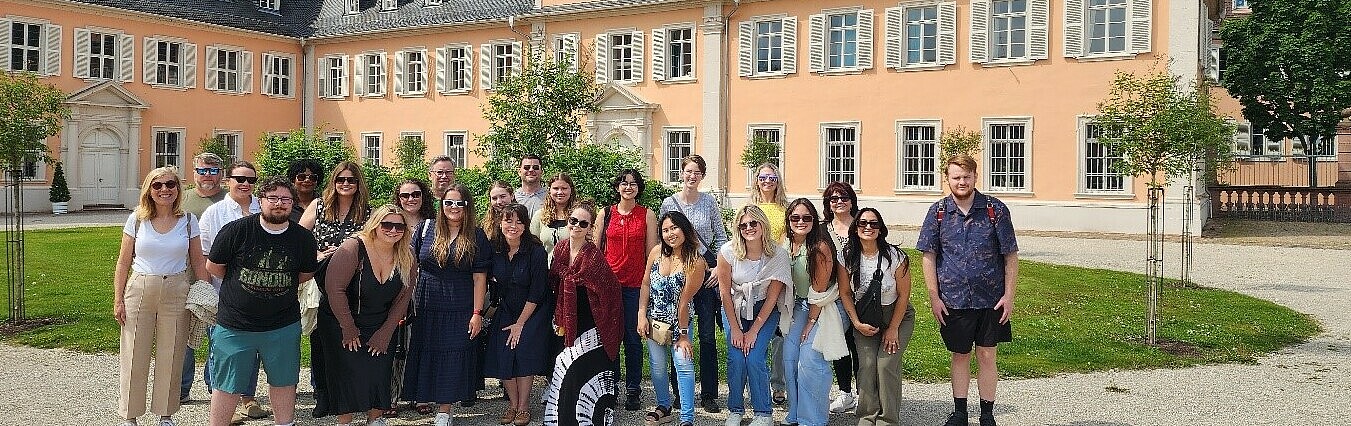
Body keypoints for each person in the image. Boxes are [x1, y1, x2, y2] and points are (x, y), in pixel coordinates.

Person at [205, 177, 320, 426]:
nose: (279, 204)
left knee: (284, 380)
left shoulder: (302, 238)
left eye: (285, 199)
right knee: (227, 383)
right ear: (261, 200)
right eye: (273, 198)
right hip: (235, 324)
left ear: (292, 203)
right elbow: (214, 267)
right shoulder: (237, 230)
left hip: (282, 325)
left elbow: (305, 274)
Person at [916, 154, 1019, 426]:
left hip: (991, 299)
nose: (961, 182)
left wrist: (1009, 296)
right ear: (947, 179)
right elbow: (929, 255)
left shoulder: (995, 210)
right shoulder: (938, 212)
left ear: (975, 177)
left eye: (966, 176)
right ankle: (960, 412)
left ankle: (987, 414)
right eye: (956, 177)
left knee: (987, 354)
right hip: (953, 299)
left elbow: (1010, 255)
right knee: (959, 355)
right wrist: (934, 297)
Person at [115, 167, 212, 426]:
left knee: (172, 353)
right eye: (157, 185)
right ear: (149, 190)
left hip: (177, 289)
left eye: (170, 184)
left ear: (178, 189)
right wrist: (118, 299)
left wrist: (205, 293)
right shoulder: (136, 219)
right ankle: (130, 414)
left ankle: (165, 414)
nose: (164, 190)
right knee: (134, 352)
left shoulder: (188, 220)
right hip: (140, 288)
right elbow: (123, 263)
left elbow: (198, 261)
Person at [311, 205, 417, 426]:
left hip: (380, 321)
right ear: (375, 225)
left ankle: (375, 420)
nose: (393, 230)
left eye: (399, 226)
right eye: (387, 224)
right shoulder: (353, 247)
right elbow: (334, 288)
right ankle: (345, 422)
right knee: (347, 373)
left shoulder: (407, 255)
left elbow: (403, 299)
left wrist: (386, 332)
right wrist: (348, 329)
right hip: (341, 320)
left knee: (379, 373)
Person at [401, 185, 492, 426]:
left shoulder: (477, 235)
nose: (453, 207)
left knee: (453, 355)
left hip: (461, 303)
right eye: (448, 202)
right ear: (441, 204)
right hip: (428, 302)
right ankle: (435, 404)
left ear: (467, 206)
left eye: (459, 203)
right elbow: (408, 263)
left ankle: (445, 409)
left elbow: (479, 277)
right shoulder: (426, 228)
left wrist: (477, 313)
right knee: (430, 352)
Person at [197, 161, 269, 425]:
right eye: (239, 179)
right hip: (223, 291)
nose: (245, 184)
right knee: (223, 349)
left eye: (250, 180)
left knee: (252, 347)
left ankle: (247, 398)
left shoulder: (264, 208)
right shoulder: (215, 213)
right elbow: (204, 255)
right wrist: (207, 291)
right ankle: (221, 402)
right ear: (228, 180)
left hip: (260, 291)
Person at [658, 155, 727, 413]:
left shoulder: (709, 202)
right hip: (679, 273)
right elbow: (664, 237)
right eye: (688, 171)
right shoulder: (669, 202)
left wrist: (719, 267)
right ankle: (680, 392)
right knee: (680, 332)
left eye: (697, 172)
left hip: (706, 273)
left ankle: (709, 394)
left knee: (707, 336)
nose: (692, 176)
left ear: (702, 175)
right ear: (682, 173)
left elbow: (720, 237)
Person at [546, 201, 623, 425]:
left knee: (576, 369)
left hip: (591, 320)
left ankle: (590, 418)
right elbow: (554, 279)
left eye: (583, 223)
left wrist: (606, 324)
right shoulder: (560, 248)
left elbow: (611, 290)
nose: (576, 226)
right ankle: (561, 419)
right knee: (562, 369)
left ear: (590, 228)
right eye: (573, 221)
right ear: (568, 221)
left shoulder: (593, 256)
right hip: (566, 319)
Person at [838, 207, 915, 426]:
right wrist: (856, 323)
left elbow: (903, 295)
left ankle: (887, 419)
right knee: (867, 365)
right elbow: (844, 292)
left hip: (896, 315)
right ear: (855, 229)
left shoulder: (896, 256)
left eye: (874, 224)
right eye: (863, 223)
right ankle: (866, 416)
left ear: (881, 229)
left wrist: (892, 329)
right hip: (863, 317)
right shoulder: (846, 256)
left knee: (886, 364)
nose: (868, 228)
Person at [716, 204, 790, 426]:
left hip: (764, 311)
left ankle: (763, 412)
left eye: (753, 223)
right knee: (737, 357)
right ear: (738, 228)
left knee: (755, 357)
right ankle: (736, 409)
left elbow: (772, 298)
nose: (749, 228)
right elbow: (725, 294)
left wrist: (753, 332)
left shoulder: (777, 254)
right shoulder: (728, 252)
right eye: (743, 225)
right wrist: (737, 330)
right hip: (735, 309)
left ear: (762, 225)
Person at [780, 198, 849, 426]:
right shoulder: (786, 244)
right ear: (788, 220)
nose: (801, 222)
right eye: (795, 217)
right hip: (800, 304)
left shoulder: (819, 247)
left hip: (826, 305)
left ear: (814, 220)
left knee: (810, 358)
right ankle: (796, 413)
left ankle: (813, 420)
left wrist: (811, 321)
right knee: (789, 357)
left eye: (807, 217)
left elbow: (819, 290)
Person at [594, 169, 659, 411]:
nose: (628, 187)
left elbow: (652, 252)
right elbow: (597, 250)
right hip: (609, 286)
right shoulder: (606, 213)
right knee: (610, 337)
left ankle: (633, 389)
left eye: (633, 184)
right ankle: (610, 387)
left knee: (633, 339)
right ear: (617, 187)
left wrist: (648, 283)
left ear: (639, 188)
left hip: (635, 285)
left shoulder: (647, 214)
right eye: (623, 183)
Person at [636, 211, 706, 426]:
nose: (670, 234)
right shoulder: (656, 252)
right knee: (657, 366)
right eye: (665, 230)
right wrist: (641, 314)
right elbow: (646, 283)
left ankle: (686, 418)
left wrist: (684, 335)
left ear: (684, 229)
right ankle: (663, 407)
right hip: (654, 321)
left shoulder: (696, 261)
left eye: (674, 228)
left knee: (683, 365)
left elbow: (684, 302)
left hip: (680, 323)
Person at [485, 204, 550, 426]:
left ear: (526, 224)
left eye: (519, 222)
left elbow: (537, 291)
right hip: (506, 309)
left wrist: (521, 323)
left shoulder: (536, 252)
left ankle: (523, 407)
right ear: (500, 223)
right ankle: (512, 404)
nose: (513, 226)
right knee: (503, 352)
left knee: (522, 350)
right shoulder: (494, 250)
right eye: (508, 221)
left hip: (533, 311)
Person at [387, 179, 435, 417]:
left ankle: (420, 394)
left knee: (422, 343)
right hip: (397, 287)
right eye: (405, 195)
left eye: (415, 194)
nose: (410, 199)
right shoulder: (391, 222)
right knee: (397, 345)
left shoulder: (434, 225)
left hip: (425, 288)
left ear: (423, 196)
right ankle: (392, 396)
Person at [179, 152, 224, 404]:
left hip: (219, 278)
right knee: (184, 335)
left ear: (221, 173)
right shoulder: (181, 198)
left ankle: (215, 387)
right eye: (202, 171)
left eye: (213, 171)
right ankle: (182, 389)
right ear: (194, 172)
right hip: (185, 276)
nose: (207, 176)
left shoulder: (230, 199)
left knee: (217, 335)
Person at [750, 162, 788, 405]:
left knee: (779, 333)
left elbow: (787, 239)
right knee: (753, 329)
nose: (767, 181)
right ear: (756, 180)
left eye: (772, 177)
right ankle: (755, 383)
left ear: (778, 180)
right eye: (763, 177)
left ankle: (778, 384)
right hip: (753, 274)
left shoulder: (785, 208)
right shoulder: (749, 208)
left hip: (778, 270)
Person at [822, 181, 861, 414]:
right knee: (841, 344)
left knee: (861, 347)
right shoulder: (823, 229)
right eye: (833, 199)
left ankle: (863, 394)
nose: (839, 202)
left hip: (862, 295)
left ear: (852, 200)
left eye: (843, 197)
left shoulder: (862, 224)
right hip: (834, 296)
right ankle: (846, 393)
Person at [300, 160, 371, 257]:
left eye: (351, 180)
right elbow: (299, 237)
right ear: (334, 182)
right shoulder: (318, 206)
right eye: (340, 180)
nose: (345, 184)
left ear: (359, 184)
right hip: (318, 267)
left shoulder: (369, 213)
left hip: (351, 268)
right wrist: (317, 254)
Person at [530, 173, 577, 263]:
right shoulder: (539, 216)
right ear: (550, 190)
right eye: (556, 188)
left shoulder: (578, 216)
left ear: (571, 190)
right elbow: (532, 246)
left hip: (571, 271)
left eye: (564, 188)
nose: (560, 192)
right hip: (544, 270)